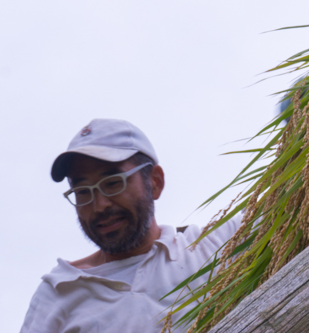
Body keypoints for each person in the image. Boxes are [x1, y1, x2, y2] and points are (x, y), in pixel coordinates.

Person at [20, 119, 241, 333]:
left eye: (113, 183)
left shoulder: (216, 245)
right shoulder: (60, 291)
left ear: (155, 182)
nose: (99, 206)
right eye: (83, 191)